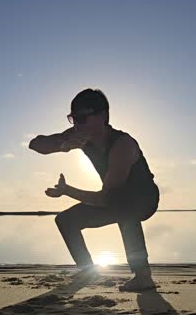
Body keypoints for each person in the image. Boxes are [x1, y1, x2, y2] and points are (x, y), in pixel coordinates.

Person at [29, 88, 160, 291]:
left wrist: (67, 190)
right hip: (113, 199)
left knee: (124, 208)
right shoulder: (78, 136)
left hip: (143, 199)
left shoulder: (122, 145)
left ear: (103, 115)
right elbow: (36, 145)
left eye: (83, 117)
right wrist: (64, 144)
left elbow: (106, 199)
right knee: (65, 220)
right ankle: (88, 270)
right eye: (73, 118)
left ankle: (143, 276)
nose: (78, 124)